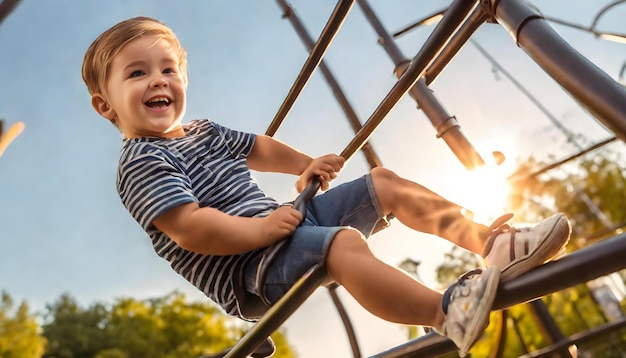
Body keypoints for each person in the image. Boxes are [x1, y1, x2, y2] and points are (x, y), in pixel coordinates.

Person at [81, 16, 571, 356]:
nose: (158, 81)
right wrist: (263, 231)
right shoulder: (141, 160)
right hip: (248, 269)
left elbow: (257, 148)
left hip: (282, 226)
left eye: (168, 69)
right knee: (342, 244)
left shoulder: (202, 130)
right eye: (138, 74)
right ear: (107, 106)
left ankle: (492, 243)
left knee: (384, 183)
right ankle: (445, 315)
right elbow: (190, 228)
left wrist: (304, 164)